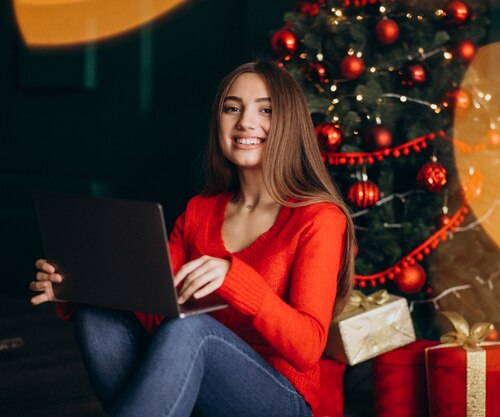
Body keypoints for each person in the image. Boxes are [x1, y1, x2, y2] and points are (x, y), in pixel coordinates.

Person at [30, 60, 356, 417]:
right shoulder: (199, 211)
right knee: (96, 315)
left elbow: (309, 346)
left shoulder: (319, 218)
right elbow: (158, 311)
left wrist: (235, 279)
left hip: (279, 397)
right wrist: (81, 284)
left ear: (290, 124)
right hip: (197, 387)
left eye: (266, 110)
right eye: (232, 108)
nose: (245, 122)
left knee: (195, 330)